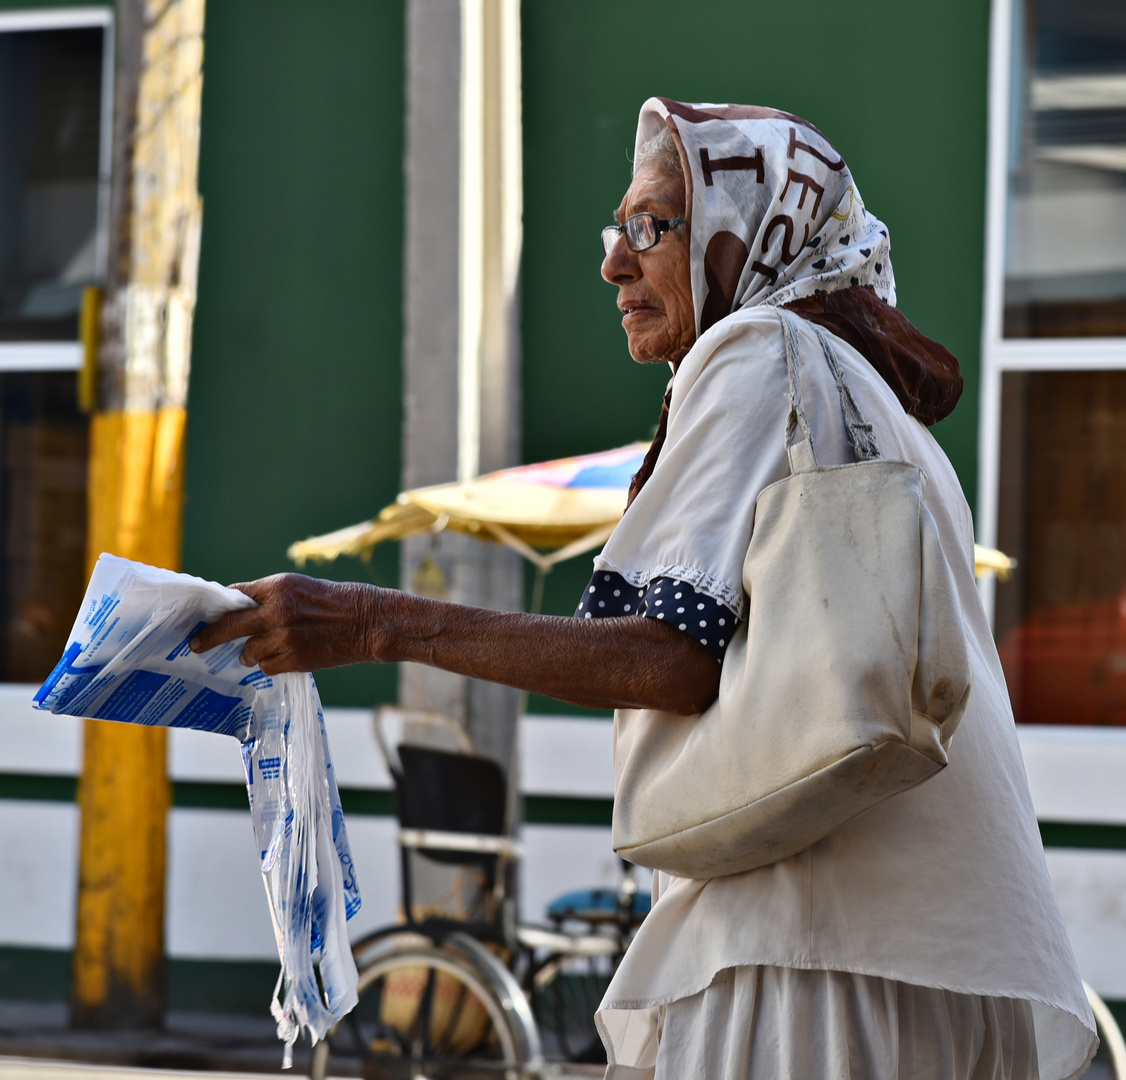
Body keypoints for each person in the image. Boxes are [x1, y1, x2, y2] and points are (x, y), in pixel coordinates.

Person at [193, 99, 1097, 1079]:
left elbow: (664, 654)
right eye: (615, 229)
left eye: (650, 226)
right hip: (947, 958)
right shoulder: (883, 408)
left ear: (748, 237)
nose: (613, 262)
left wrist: (372, 619)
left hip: (802, 956)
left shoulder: (756, 350)